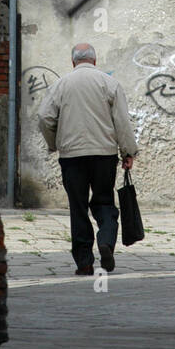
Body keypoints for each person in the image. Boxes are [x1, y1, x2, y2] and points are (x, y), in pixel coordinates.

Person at [38, 42, 138, 275]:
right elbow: (122, 122)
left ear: (73, 62)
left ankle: (84, 262)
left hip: (72, 156)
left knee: (78, 206)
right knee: (104, 201)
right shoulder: (109, 84)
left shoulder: (61, 85)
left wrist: (54, 143)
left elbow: (44, 117)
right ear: (95, 60)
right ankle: (105, 240)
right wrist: (128, 152)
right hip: (104, 155)